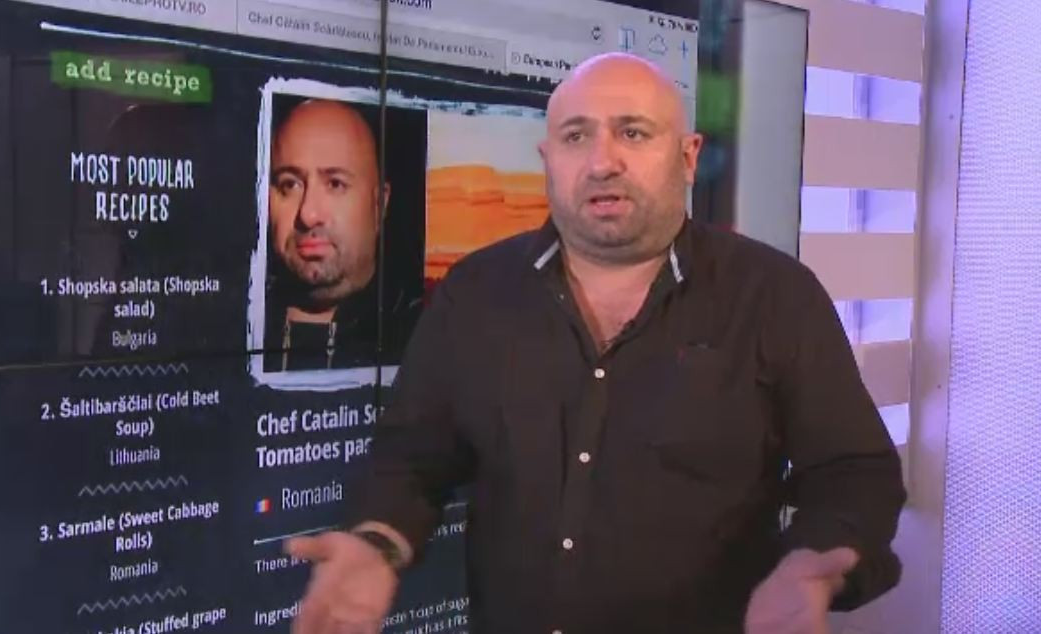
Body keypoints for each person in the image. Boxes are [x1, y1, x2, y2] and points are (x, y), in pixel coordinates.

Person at [285, 53, 906, 633]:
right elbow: (410, 458)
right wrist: (377, 542)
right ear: (547, 157)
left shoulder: (773, 295)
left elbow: (853, 472)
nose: (602, 162)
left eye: (633, 133)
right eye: (576, 136)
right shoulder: (475, 292)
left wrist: (811, 561)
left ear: (688, 157)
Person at [263, 98, 417, 371]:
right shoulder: (229, 319)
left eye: (335, 184)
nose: (308, 214)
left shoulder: (421, 333)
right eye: (290, 184)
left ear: (379, 204)